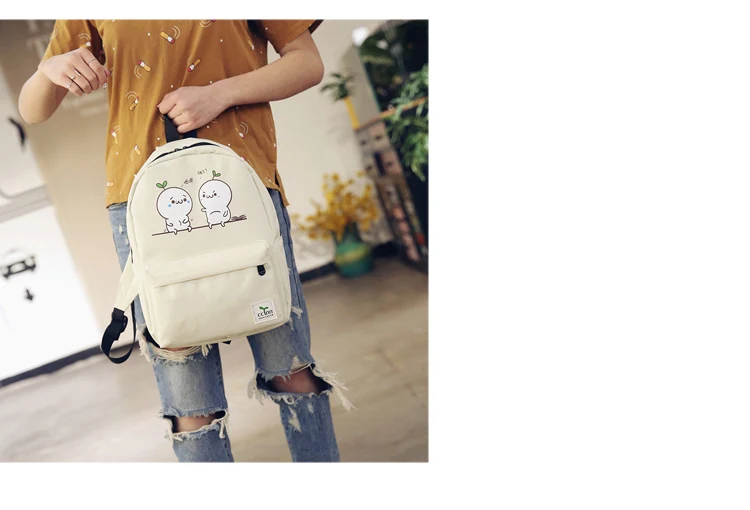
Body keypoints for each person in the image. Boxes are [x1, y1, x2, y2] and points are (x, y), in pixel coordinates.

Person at [18, 19, 352, 463]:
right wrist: (49, 70)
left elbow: (306, 62)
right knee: (189, 404)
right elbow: (33, 108)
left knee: (290, 371)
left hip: (240, 190)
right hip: (144, 205)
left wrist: (220, 93)